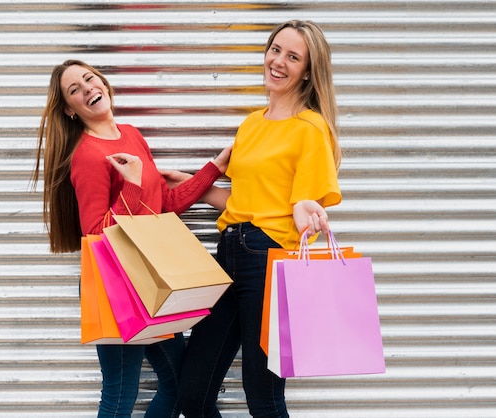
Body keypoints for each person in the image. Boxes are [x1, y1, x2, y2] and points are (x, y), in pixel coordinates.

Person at [32, 59, 231, 418]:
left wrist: (213, 169)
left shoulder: (131, 134)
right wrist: (133, 182)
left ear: (104, 83)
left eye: (89, 79)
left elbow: (162, 206)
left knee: (176, 385)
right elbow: (96, 233)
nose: (87, 88)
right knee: (120, 396)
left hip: (153, 280)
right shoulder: (86, 156)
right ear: (69, 109)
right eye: (74, 89)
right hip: (117, 286)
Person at [177, 20, 342, 417]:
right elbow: (242, 201)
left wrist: (306, 210)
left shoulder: (311, 129)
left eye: (293, 56)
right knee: (192, 394)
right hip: (229, 253)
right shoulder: (251, 124)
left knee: (263, 397)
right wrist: (190, 184)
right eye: (275, 49)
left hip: (270, 260)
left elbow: (304, 202)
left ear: (308, 70)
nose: (279, 61)